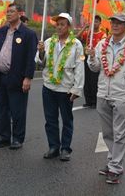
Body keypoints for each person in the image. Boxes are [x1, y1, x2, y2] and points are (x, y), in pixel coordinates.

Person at [87, 13, 125, 184]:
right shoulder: (101, 44)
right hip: (103, 93)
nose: (115, 25)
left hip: (122, 95)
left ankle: (116, 167)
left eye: (120, 23)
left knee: (120, 133)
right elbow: (96, 68)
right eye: (113, 22)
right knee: (108, 132)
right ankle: (112, 161)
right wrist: (91, 56)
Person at [0, 3, 38, 150]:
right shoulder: (1, 32)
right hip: (1, 77)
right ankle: (4, 136)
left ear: (19, 14)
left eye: (12, 11)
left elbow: (30, 58)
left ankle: (18, 138)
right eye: (7, 11)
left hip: (17, 78)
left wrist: (28, 78)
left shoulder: (28, 34)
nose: (8, 14)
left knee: (17, 110)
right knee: (2, 109)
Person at [37, 13, 84, 161]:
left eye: (62, 24)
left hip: (66, 89)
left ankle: (65, 148)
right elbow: (40, 63)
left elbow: (79, 67)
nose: (59, 27)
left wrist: (77, 89)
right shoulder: (48, 41)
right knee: (50, 119)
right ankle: (53, 147)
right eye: (57, 24)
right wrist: (41, 51)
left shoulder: (76, 44)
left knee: (67, 120)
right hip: (49, 86)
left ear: (69, 27)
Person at [77, 15, 106, 108]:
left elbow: (103, 48)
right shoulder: (88, 33)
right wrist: (85, 27)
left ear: (100, 23)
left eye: (97, 22)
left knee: (94, 80)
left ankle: (95, 101)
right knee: (86, 79)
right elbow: (77, 37)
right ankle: (88, 100)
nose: (95, 23)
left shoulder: (103, 35)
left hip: (95, 59)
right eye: (94, 21)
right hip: (86, 57)